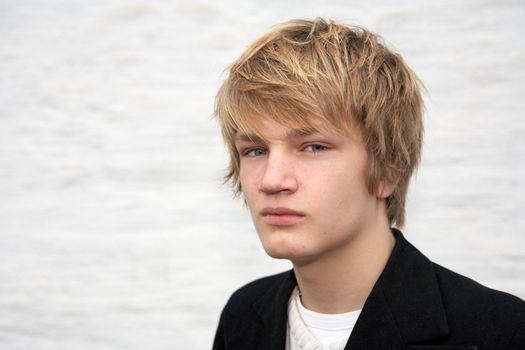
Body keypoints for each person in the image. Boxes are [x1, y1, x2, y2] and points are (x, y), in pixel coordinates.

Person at [211, 18, 525, 350]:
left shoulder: (503, 333)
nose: (272, 181)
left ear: (387, 168)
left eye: (314, 147)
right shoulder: (243, 317)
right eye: (255, 150)